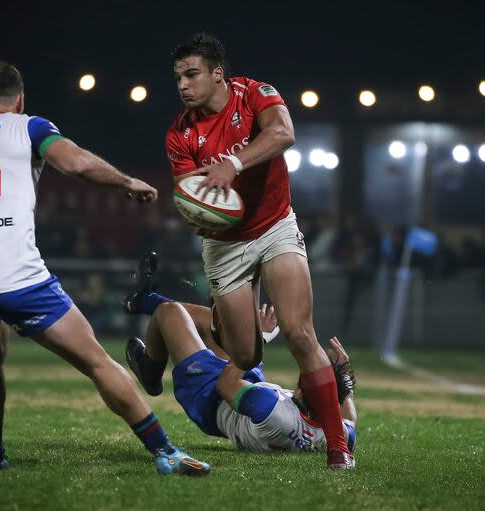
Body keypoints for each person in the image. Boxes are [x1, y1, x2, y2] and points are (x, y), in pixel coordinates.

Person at [0, 61, 209, 476]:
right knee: (96, 360)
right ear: (20, 100)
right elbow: (74, 163)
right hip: (16, 275)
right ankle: (165, 451)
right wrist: (125, 182)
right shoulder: (30, 126)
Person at [164, 33, 353, 468]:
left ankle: (337, 448)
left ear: (217, 74)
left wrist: (233, 162)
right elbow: (187, 195)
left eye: (191, 74)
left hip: (274, 226)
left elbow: (284, 132)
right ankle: (222, 328)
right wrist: (195, 214)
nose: (183, 85)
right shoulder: (180, 133)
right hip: (224, 245)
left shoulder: (254, 93)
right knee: (246, 355)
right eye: (177, 77)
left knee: (299, 331)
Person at [124, 252, 357, 453]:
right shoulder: (335, 433)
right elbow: (350, 420)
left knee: (169, 313)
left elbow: (225, 385)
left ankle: (150, 371)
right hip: (245, 385)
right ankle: (141, 299)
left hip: (211, 398)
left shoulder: (273, 409)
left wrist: (261, 338)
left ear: (301, 389)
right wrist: (342, 376)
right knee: (219, 324)